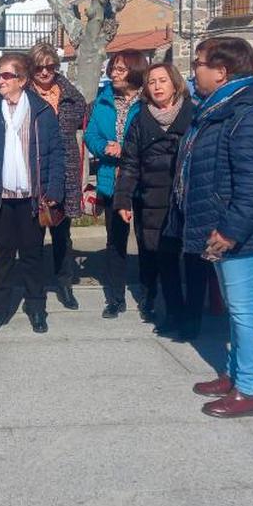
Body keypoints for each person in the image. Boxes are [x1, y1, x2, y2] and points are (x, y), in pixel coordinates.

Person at [174, 37, 253, 419]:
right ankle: (234, 375)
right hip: (228, 227)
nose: (193, 71)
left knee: (246, 311)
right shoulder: (223, 108)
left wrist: (230, 230)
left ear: (221, 71)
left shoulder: (250, 114)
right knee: (237, 309)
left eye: (198, 64)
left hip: (245, 234)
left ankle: (249, 391)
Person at [0, 53, 65, 334]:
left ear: (22, 80)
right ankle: (1, 308)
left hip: (33, 198)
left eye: (6, 76)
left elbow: (56, 155)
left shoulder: (42, 112)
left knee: (33, 256)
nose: (0, 80)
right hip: (1, 198)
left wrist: (54, 190)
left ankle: (36, 308)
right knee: (3, 256)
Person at [113, 62, 198, 337]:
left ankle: (193, 318)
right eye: (152, 82)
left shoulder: (194, 114)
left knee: (196, 263)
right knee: (165, 261)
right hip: (154, 201)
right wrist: (123, 199)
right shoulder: (141, 119)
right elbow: (129, 163)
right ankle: (173, 314)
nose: (157, 86)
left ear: (175, 83)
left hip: (188, 200)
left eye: (162, 80)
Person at [84, 50, 147, 318]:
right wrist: (103, 148)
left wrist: (128, 151)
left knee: (147, 241)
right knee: (115, 241)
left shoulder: (147, 102)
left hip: (144, 181)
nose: (114, 73)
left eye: (121, 69)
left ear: (135, 70)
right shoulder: (104, 100)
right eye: (113, 68)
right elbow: (91, 135)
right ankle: (115, 297)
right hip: (112, 180)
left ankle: (149, 295)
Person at [29, 43, 88, 310]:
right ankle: (36, 288)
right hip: (34, 171)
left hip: (64, 171)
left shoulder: (71, 97)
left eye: (50, 66)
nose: (45, 72)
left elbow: (86, 118)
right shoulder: (24, 96)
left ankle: (64, 285)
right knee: (33, 234)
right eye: (39, 67)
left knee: (62, 233)